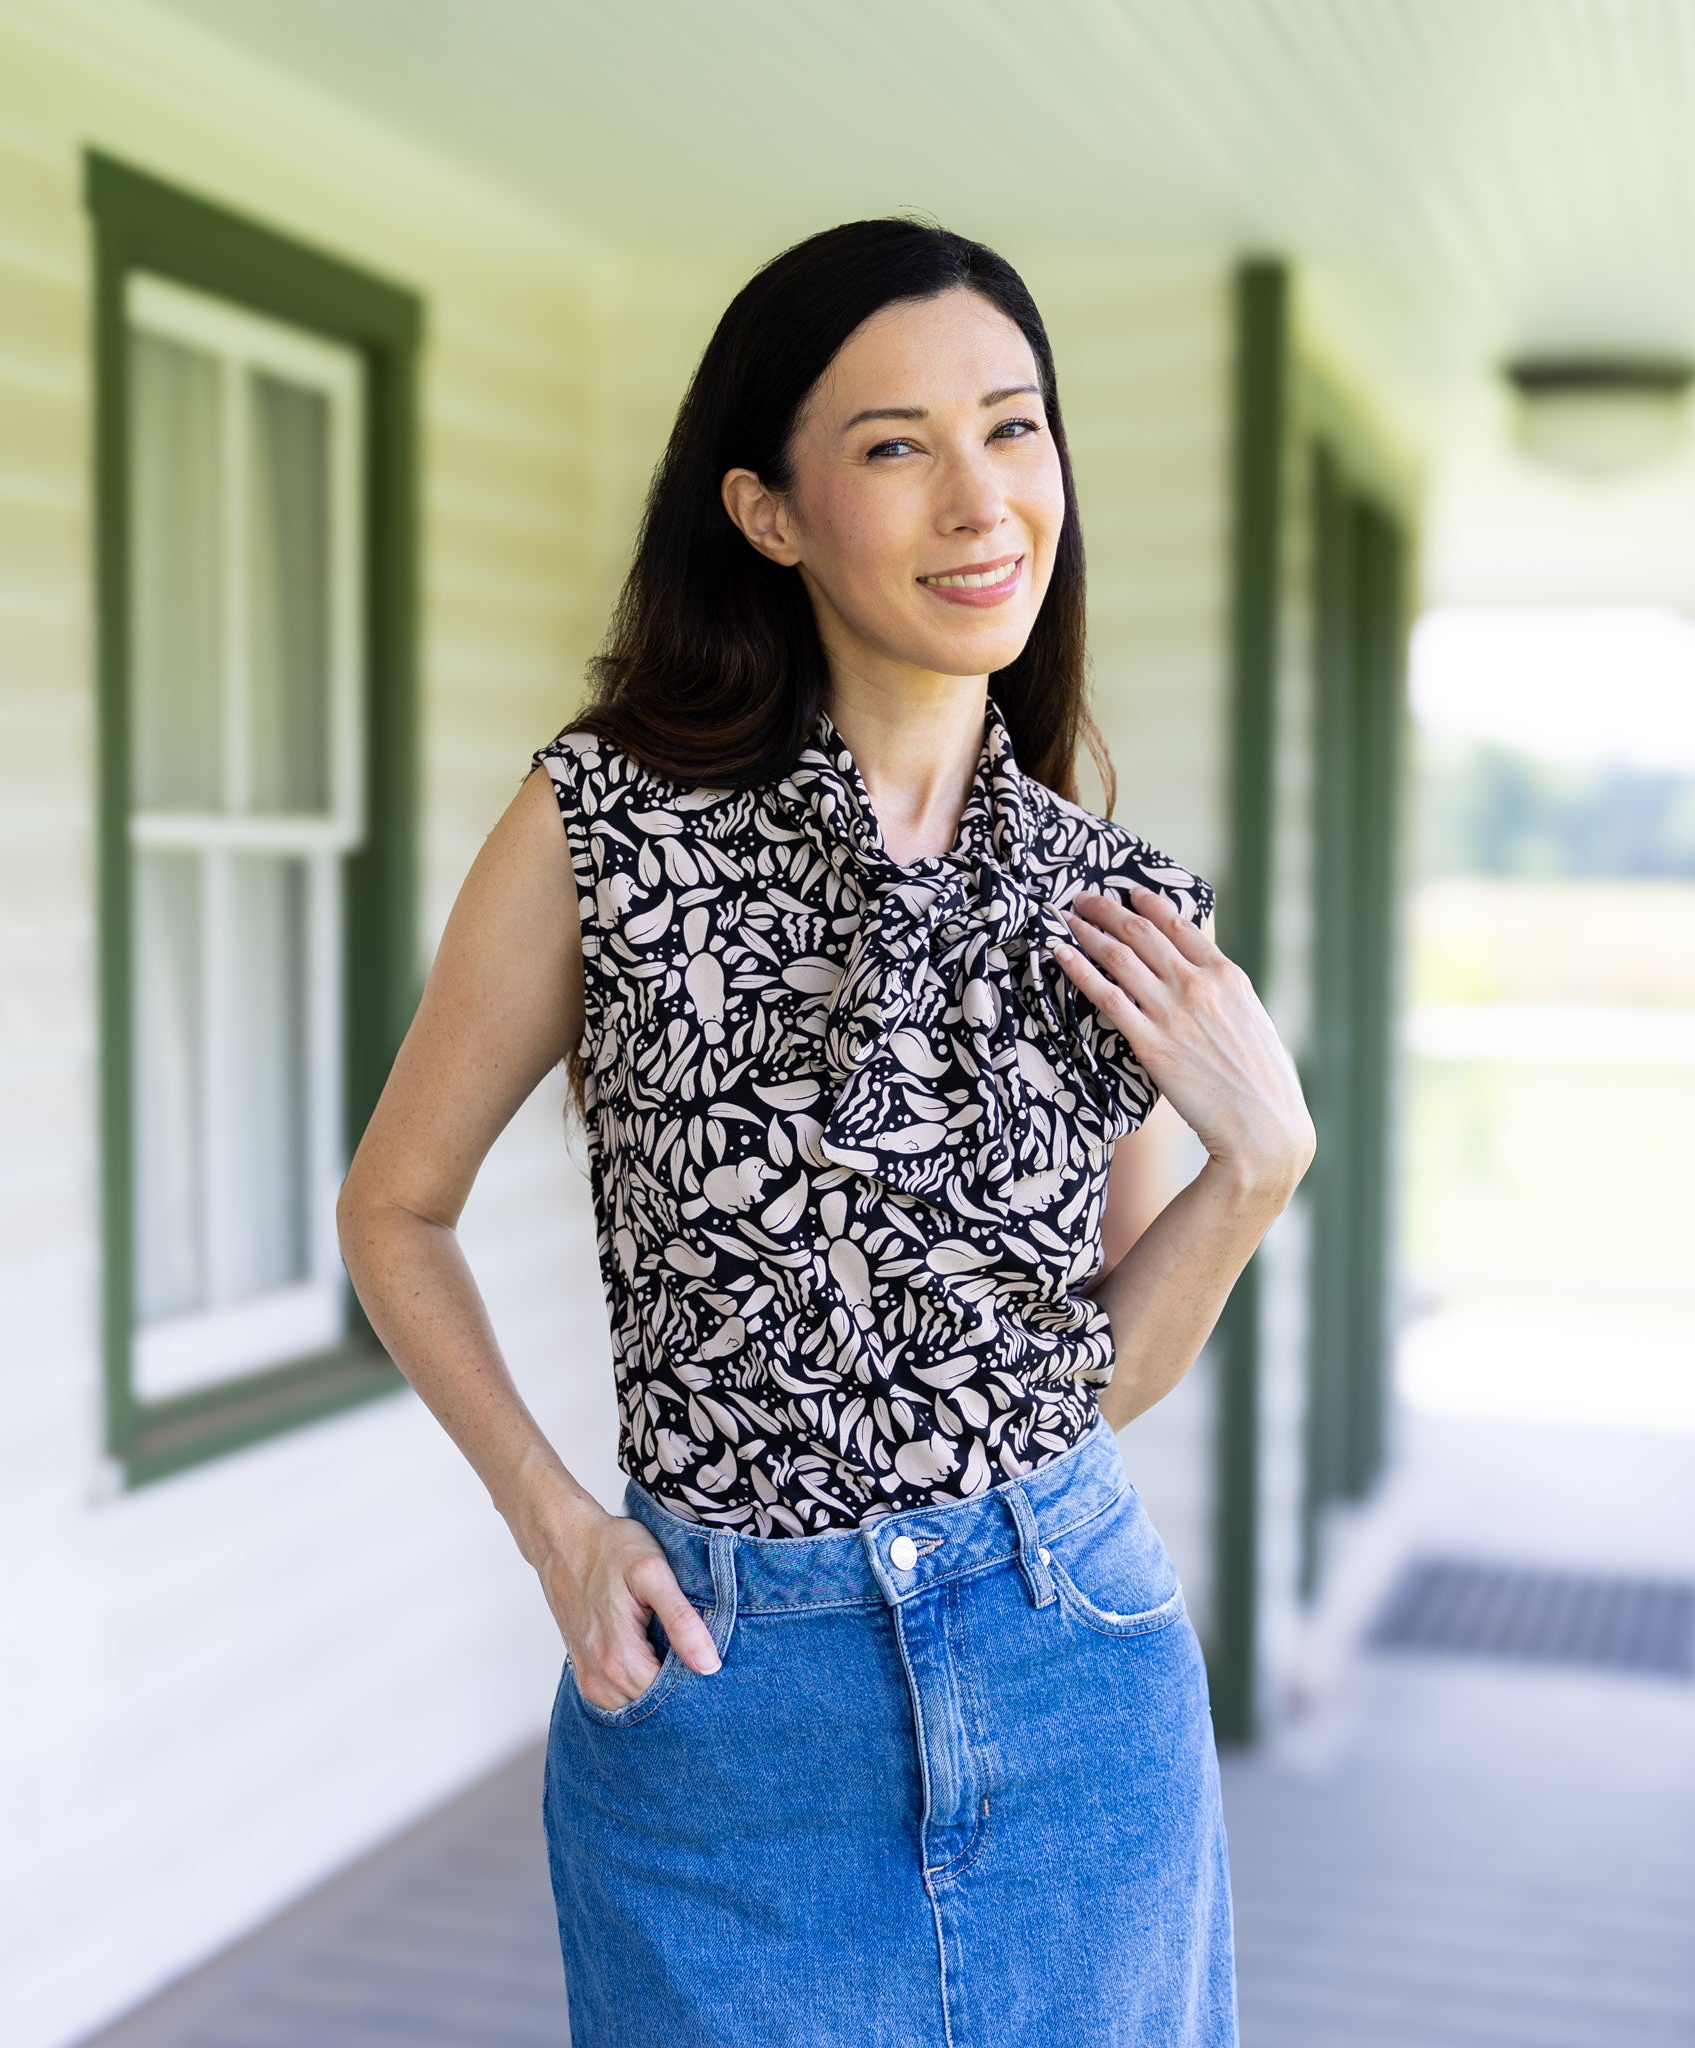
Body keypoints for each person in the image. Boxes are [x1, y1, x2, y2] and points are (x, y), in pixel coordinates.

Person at [337, 218, 1315, 2048]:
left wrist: (1262, 1171)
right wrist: (556, 1524)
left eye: (1016, 430)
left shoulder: (1115, 902)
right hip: (725, 1719)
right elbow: (395, 1208)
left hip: (1073, 1673)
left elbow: (1086, 1373)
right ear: (766, 511)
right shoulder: (604, 824)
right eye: (896, 446)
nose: (983, 501)